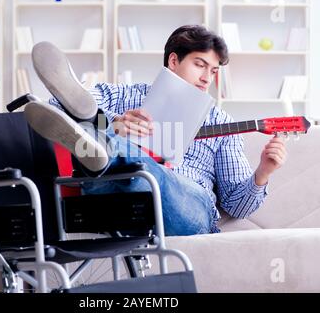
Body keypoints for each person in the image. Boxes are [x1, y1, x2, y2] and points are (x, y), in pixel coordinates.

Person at [24, 25, 287, 236]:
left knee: (147, 171)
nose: (208, 78)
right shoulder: (123, 96)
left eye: (214, 71)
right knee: (117, 156)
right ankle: (106, 146)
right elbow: (56, 105)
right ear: (174, 60)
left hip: (185, 206)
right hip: (115, 199)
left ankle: (106, 148)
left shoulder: (221, 120)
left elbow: (235, 206)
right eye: (200, 64)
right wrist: (114, 122)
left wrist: (263, 172)